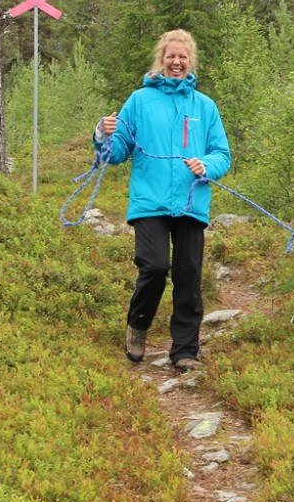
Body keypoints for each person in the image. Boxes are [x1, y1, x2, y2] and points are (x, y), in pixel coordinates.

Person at [94, 29, 231, 372]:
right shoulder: (140, 100)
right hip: (149, 201)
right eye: (170, 56)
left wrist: (207, 165)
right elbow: (117, 153)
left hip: (190, 202)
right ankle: (138, 326)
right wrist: (102, 135)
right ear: (161, 59)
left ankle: (185, 350)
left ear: (190, 61)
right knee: (154, 267)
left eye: (182, 57)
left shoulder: (205, 106)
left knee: (189, 276)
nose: (176, 62)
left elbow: (222, 154)